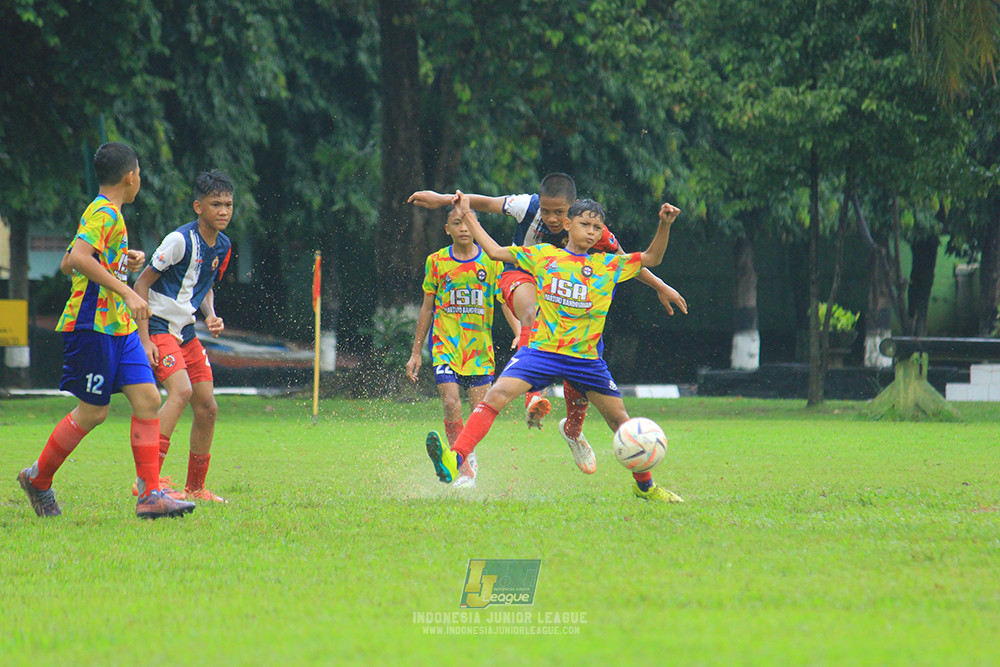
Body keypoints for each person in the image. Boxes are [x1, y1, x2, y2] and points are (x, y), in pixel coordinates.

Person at [408, 174, 687, 475]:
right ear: (568, 223)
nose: (553, 219)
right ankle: (517, 410)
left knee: (614, 416)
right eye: (548, 212)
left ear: (574, 215)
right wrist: (446, 200)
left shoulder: (603, 251)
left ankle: (579, 435)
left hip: (583, 352)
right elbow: (485, 210)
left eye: (561, 213)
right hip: (525, 289)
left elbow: (644, 260)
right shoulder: (536, 234)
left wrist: (660, 283)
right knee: (529, 318)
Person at [17, 142, 196, 519]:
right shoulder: (103, 213)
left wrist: (120, 260)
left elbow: (69, 261)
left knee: (148, 399)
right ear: (131, 177)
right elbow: (78, 260)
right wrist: (128, 289)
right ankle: (38, 478)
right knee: (93, 413)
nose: (140, 180)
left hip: (120, 326)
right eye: (140, 175)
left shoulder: (108, 214)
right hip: (93, 324)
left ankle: (150, 494)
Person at [132, 169, 234, 503]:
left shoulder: (223, 245)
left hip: (186, 332)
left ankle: (195, 488)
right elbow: (141, 285)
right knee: (181, 392)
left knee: (207, 406)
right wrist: (145, 339)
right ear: (197, 206)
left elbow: (201, 285)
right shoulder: (179, 241)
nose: (223, 211)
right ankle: (147, 480)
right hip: (159, 326)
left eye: (228, 205)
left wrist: (211, 315)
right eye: (215, 204)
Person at [405, 206, 520, 488]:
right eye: (457, 223)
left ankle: (465, 452)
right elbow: (427, 307)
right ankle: (464, 467)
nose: (464, 228)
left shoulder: (492, 263)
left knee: (478, 409)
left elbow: (504, 302)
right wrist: (416, 352)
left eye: (468, 222)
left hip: (480, 350)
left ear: (476, 226)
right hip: (445, 345)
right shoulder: (437, 261)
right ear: (448, 229)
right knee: (449, 401)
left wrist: (521, 333)